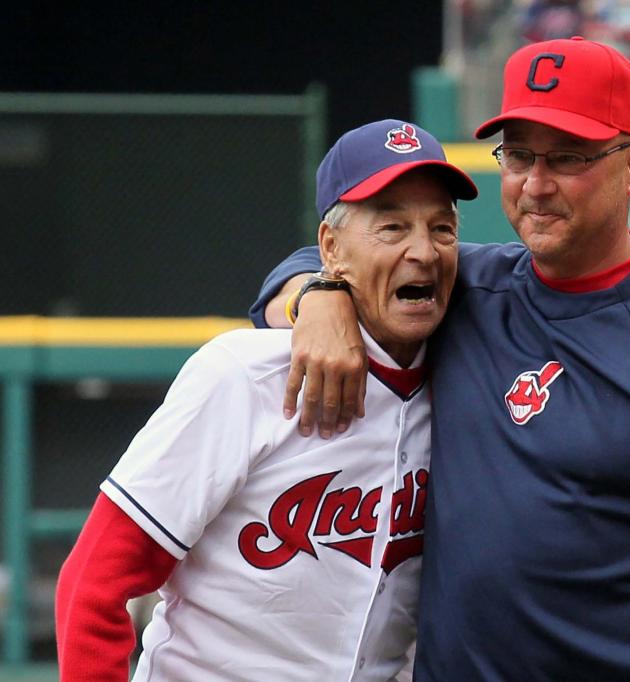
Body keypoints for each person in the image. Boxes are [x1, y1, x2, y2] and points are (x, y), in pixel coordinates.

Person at [252, 37, 630, 680]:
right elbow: (325, 258)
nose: (535, 185)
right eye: (517, 155)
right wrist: (317, 296)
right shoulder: (463, 289)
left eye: (567, 157)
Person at [55, 119, 477, 681]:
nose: (422, 251)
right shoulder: (244, 374)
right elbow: (94, 584)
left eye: (442, 229)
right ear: (330, 247)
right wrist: (312, 294)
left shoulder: (468, 381)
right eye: (392, 226)